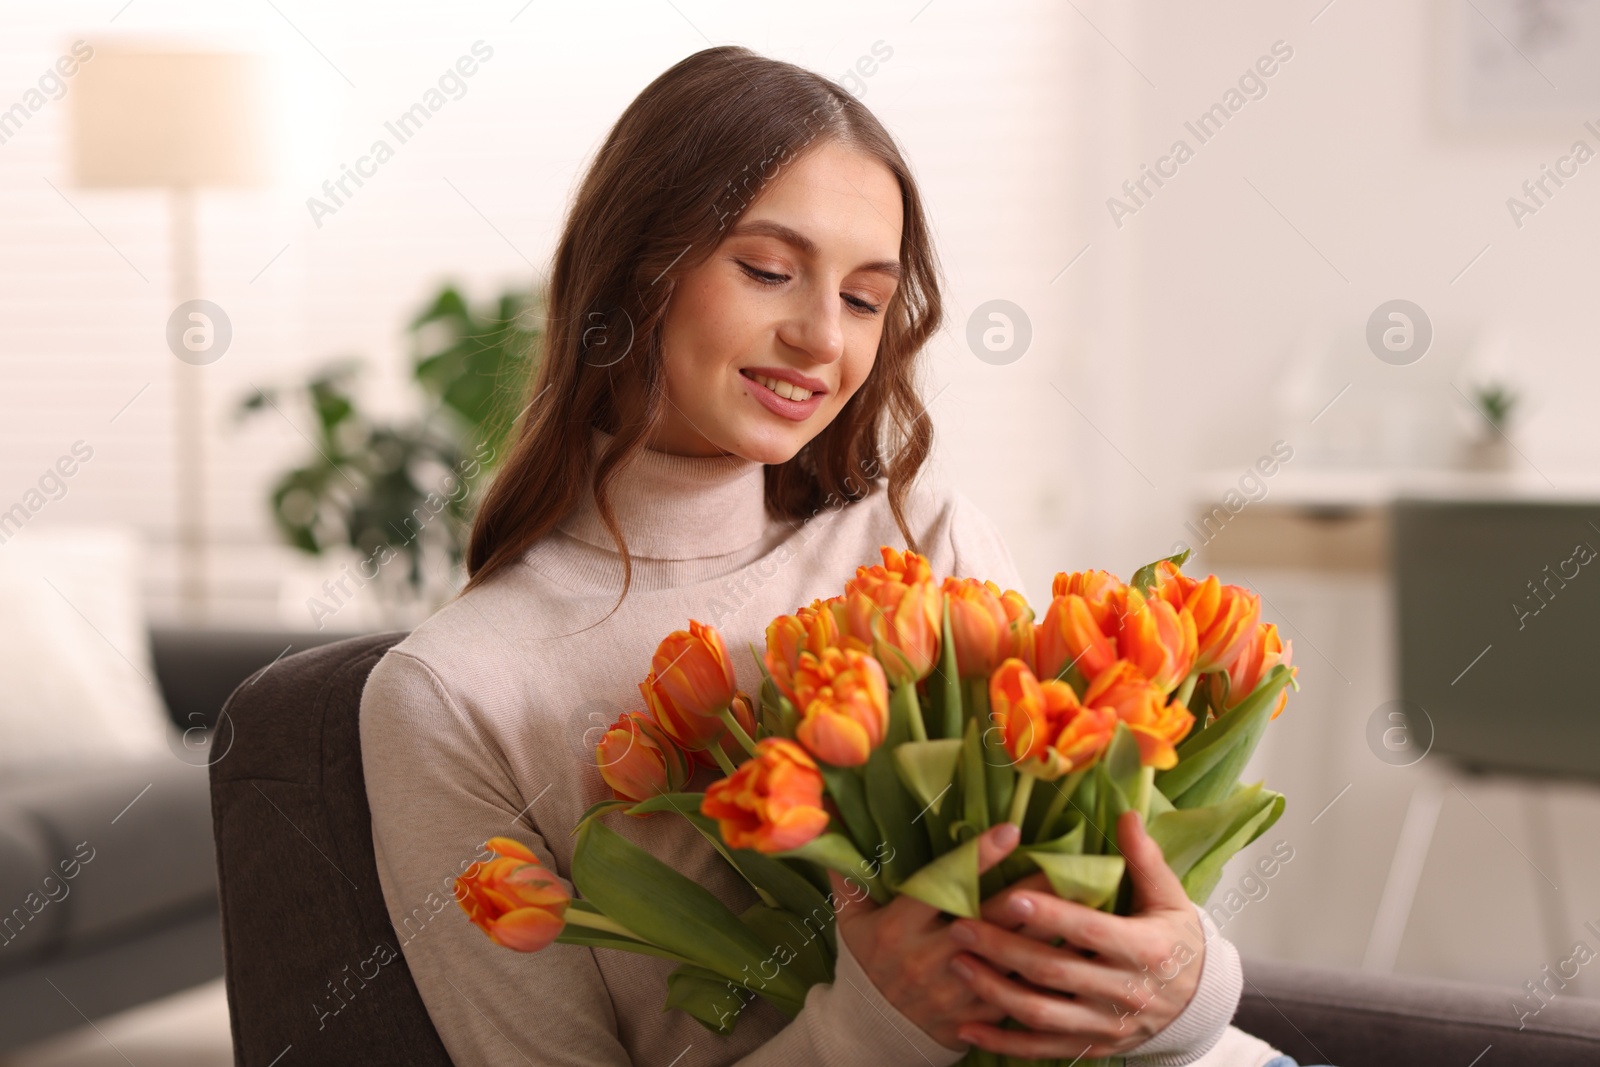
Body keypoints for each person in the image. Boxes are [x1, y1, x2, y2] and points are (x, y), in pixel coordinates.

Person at [360, 44, 1307, 1067]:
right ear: (637, 262)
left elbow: (1087, 883)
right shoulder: (453, 688)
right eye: (768, 270)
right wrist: (879, 1020)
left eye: (863, 298)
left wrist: (1192, 986)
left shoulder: (920, 538)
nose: (821, 337)